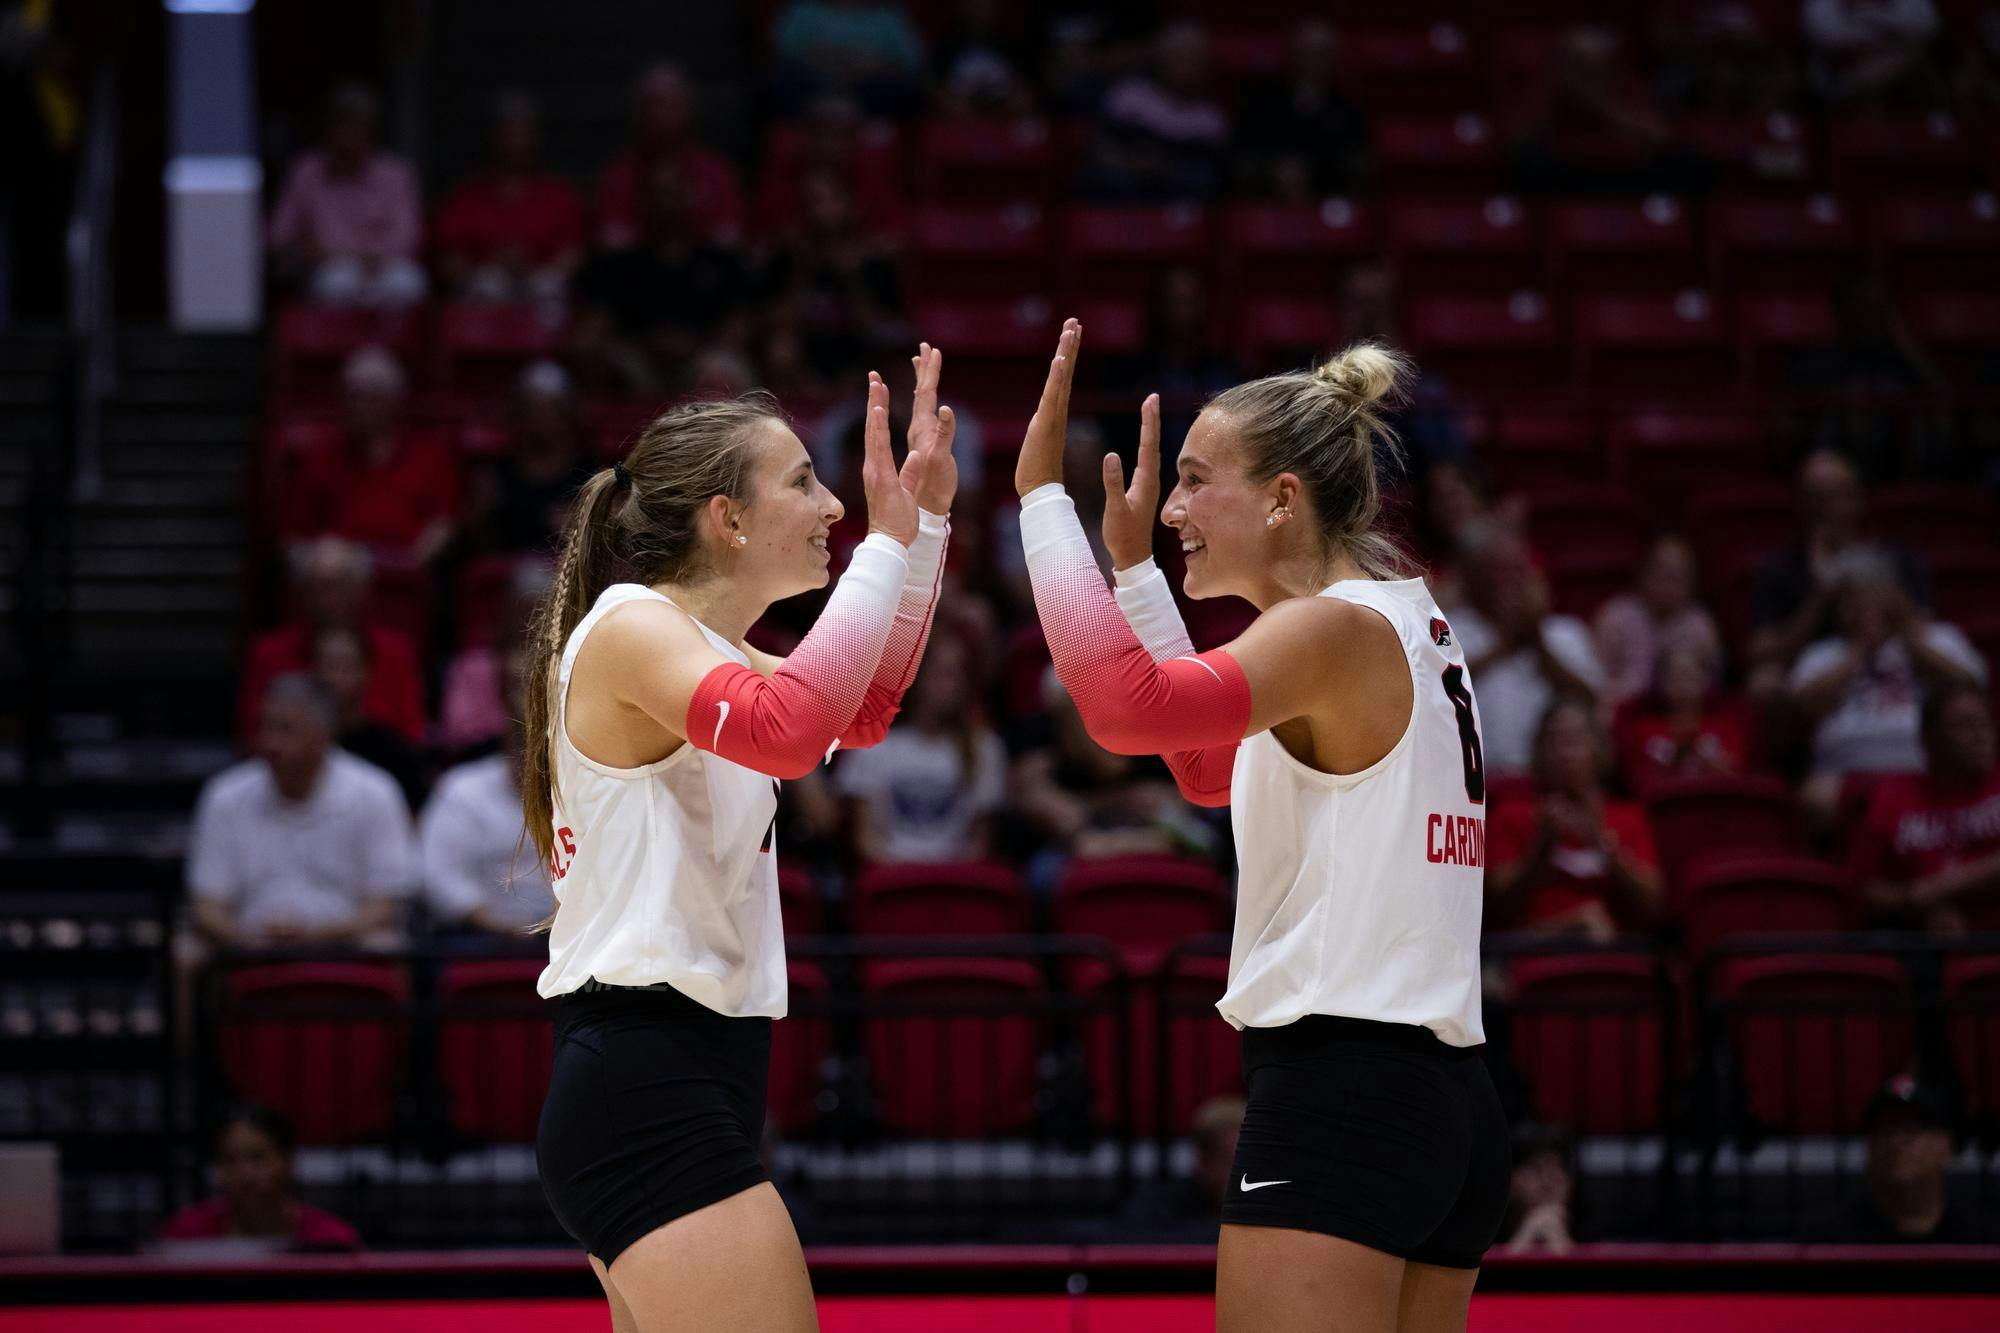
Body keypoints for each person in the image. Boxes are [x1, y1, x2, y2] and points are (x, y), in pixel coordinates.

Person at [1013, 320, 1507, 1331]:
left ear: (1283, 498)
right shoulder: (1398, 616)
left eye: (1197, 481)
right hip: (1442, 1099)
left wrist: (1037, 504)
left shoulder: (1325, 628)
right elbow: (1202, 773)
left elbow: (1117, 712)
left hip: (1344, 1091)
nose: (1173, 508)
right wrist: (1136, 576)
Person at [526, 347, 958, 1330]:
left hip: (686, 1073)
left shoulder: (721, 654)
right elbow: (789, 732)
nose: (832, 507)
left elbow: (866, 705)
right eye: (803, 481)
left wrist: (924, 522)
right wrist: (885, 546)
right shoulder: (629, 625)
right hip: (646, 1076)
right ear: (726, 519)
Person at [188, 675, 417, 951]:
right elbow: (206, 906)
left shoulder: (376, 792)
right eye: (265, 728)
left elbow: (385, 905)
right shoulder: (225, 795)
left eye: (285, 731)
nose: (269, 744)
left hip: (346, 940)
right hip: (246, 943)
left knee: (387, 945)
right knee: (188, 952)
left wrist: (314, 935)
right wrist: (249, 938)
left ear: (321, 738)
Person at [1788, 551, 1986, 827]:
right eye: (1851, 600)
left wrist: (1907, 635)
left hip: (1929, 768)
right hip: (1846, 773)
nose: (1862, 607)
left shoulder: (1940, 638)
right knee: (1816, 798)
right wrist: (1859, 648)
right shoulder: (1823, 653)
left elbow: (1969, 687)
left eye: (1872, 595)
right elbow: (1805, 707)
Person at [1486, 699, 1665, 941]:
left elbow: (1653, 910)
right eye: (1556, 739)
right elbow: (1498, 911)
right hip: (1530, 951)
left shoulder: (1628, 818)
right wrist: (1543, 845)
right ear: (1540, 751)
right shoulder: (1510, 815)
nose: (1566, 750)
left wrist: (1603, 845)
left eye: (1576, 738)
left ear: (1598, 749)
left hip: (1613, 953)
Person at [572, 160, 753, 394]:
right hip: (637, 358)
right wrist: (645, 343)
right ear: (646, 204)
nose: (668, 204)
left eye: (675, 194)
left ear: (691, 200)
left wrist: (696, 345)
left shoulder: (720, 263)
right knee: (597, 358)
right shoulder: (621, 265)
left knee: (723, 368)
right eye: (659, 195)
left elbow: (741, 321)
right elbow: (598, 321)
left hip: (702, 357)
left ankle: (721, 431)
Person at [834, 634, 1007, 864]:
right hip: (893, 875)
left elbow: (980, 844)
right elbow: (865, 839)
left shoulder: (985, 748)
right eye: (939, 674)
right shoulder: (871, 745)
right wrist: (909, 874)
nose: (948, 686)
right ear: (915, 678)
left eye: (955, 676)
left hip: (957, 876)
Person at [1449, 523, 1604, 778]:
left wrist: (1537, 642)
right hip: (1477, 781)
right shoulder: (1454, 628)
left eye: (1516, 571)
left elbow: (1589, 699)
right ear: (1477, 577)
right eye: (1497, 571)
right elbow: (1442, 693)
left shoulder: (1566, 633)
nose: (1508, 582)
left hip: (1553, 780)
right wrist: (1502, 646)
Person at [240, 536, 426, 746]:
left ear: (362, 589)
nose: (328, 599)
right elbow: (252, 736)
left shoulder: (397, 652)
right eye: (318, 587)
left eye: (339, 585)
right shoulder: (268, 653)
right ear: (301, 593)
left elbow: (412, 735)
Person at [281, 348, 458, 568]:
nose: (358, 407)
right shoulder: (321, 458)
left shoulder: (429, 457)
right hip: (338, 573)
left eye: (369, 397)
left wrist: (411, 563)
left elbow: (442, 525)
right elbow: (294, 538)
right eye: (352, 397)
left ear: (393, 401)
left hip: (407, 570)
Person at [423, 650, 555, 936]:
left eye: (540, 745)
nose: (531, 755)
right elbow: (440, 875)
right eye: (522, 742)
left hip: (567, 939)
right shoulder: (461, 790)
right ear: (508, 740)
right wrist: (490, 921)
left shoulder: (582, 794)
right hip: (481, 937)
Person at [1850, 684, 2000, 934]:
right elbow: (1866, 889)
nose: (1979, 734)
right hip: (1920, 941)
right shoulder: (1892, 795)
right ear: (1929, 739)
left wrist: (1942, 887)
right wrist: (1917, 906)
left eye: (1985, 723)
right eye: (1963, 725)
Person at [267, 84, 426, 309]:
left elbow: (407, 236)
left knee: (406, 282)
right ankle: (333, 344)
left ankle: (389, 345)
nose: (350, 133)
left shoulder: (395, 173)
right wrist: (305, 250)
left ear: (372, 130)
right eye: (343, 123)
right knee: (339, 281)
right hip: (328, 269)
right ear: (329, 128)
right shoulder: (306, 171)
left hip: (383, 266)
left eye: (359, 124)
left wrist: (364, 256)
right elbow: (279, 236)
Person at [433, 92, 585, 312]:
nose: (516, 142)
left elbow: (574, 254)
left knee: (547, 287)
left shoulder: (558, 193)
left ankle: (549, 347)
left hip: (541, 281)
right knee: (489, 286)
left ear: (536, 138)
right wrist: (485, 270)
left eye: (523, 133)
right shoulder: (467, 194)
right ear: (493, 136)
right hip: (483, 283)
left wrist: (535, 271)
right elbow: (448, 257)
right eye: (508, 133)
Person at [1803, 1075, 1999, 1242]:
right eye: (1884, 1130)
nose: (1895, 1142)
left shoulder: (1983, 1241)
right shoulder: (1828, 1242)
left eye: (1911, 1130)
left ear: (1947, 1146)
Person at [158, 1106, 362, 1253]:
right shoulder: (186, 1236)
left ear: (288, 1161)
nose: (245, 1174)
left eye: (258, 1157)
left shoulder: (332, 1240)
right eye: (230, 1160)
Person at [596, 63, 744, 248]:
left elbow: (728, 240)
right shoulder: (617, 177)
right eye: (653, 104)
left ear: (689, 107)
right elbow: (613, 243)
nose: (659, 115)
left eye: (671, 104)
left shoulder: (717, 174)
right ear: (638, 110)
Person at [1083, 21, 1231, 199]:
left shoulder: (1210, 120)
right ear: (1161, 58)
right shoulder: (1128, 96)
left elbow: (1209, 176)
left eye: (1196, 61)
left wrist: (1166, 168)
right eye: (1180, 58)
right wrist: (1131, 163)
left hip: (1176, 206)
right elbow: (1100, 148)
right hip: (1123, 197)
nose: (1189, 69)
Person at [1234, 18, 1370, 199]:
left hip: (1327, 208)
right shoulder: (1263, 105)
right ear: (1292, 54)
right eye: (1306, 52)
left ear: (1333, 58)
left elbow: (1357, 168)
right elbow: (1243, 158)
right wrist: (1273, 170)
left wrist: (1311, 175)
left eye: (1321, 54)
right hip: (1267, 206)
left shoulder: (1348, 112)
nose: (1313, 62)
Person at [1593, 534, 1723, 707]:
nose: (1669, 583)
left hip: (1680, 713)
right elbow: (1597, 678)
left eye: (1678, 576)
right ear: (1644, 573)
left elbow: (1711, 688)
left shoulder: (1700, 624)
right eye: (1663, 573)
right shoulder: (1615, 616)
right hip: (1624, 710)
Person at [312, 623, 428, 811]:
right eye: (329, 665)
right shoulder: (299, 748)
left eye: (346, 666)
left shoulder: (393, 753)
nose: (335, 678)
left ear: (367, 673)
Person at [1614, 640, 1752, 796]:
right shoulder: (1643, 731)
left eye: (1689, 677)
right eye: (1675, 678)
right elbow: (1638, 784)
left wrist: (1705, 759)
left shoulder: (1726, 727)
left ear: (1705, 681)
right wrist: (1673, 759)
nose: (1682, 686)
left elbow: (1738, 781)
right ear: (1662, 683)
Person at [1113, 1094, 1247, 1242]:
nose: (1245, 1176)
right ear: (1204, 1161)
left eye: (1252, 1163)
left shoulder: (1268, 1210)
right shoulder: (1156, 1210)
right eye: (1232, 1162)